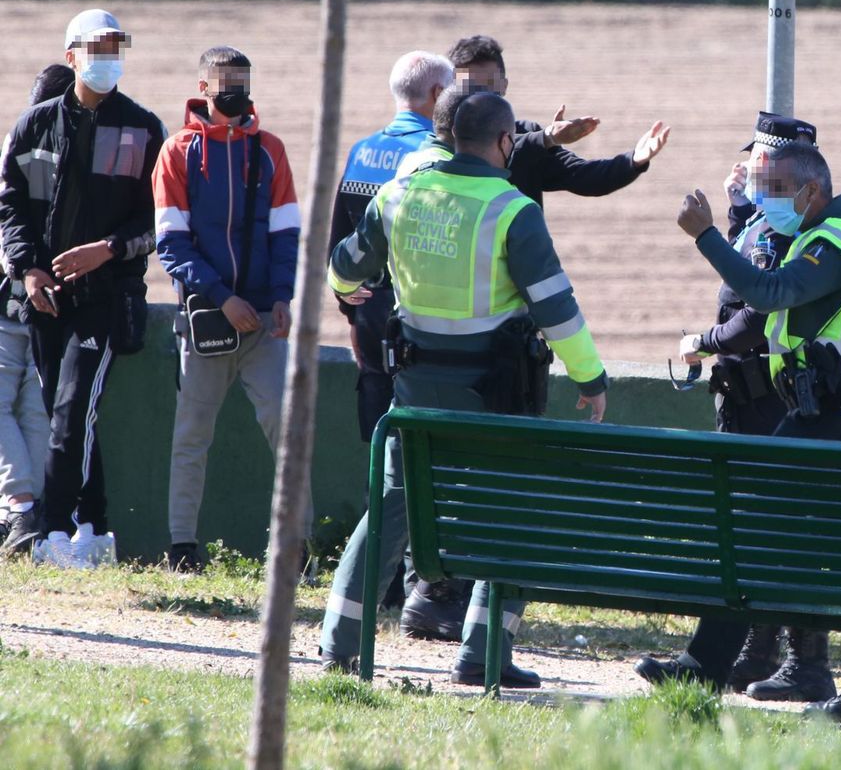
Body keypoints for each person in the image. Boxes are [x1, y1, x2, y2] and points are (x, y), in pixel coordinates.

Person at [318, 92, 609, 689]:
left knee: (390, 511)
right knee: (515, 514)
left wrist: (345, 288)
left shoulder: (398, 195)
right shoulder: (512, 209)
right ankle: (483, 653)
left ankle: (339, 646)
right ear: (504, 143)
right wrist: (590, 378)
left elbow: (345, 266)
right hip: (492, 401)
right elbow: (556, 309)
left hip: (412, 397)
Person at [635, 142, 841, 727]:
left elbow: (771, 294)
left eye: (774, 188)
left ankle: (706, 668)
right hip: (826, 405)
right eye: (759, 186)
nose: (763, 198)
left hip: (837, 408)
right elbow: (763, 310)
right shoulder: (818, 232)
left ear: (812, 190)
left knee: (754, 532)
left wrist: (707, 237)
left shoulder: (836, 242)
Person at [674, 112, 833, 703]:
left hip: (770, 398)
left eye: (763, 165)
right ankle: (754, 653)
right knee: (751, 531)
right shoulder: (764, 219)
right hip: (744, 394)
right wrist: (739, 210)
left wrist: (704, 341)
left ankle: (802, 662)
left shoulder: (793, 231)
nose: (750, 171)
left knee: (776, 532)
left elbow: (755, 311)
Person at [0, 9, 164, 569]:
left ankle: (51, 532)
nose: (108, 60)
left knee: (71, 415)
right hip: (45, 301)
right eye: (97, 49)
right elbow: (10, 206)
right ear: (71, 56)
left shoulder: (144, 129)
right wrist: (28, 270)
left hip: (106, 299)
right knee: (63, 414)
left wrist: (108, 250)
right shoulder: (33, 125)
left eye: (116, 48)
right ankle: (93, 529)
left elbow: (157, 221)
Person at [153, 47, 305, 572]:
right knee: (192, 435)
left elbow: (286, 234)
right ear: (204, 86)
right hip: (206, 322)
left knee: (287, 429)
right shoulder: (177, 152)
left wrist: (282, 297)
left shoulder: (270, 150)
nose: (235, 91)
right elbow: (171, 245)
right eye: (226, 82)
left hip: (263, 322)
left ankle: (297, 547)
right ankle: (182, 547)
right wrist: (222, 297)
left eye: (242, 81)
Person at [331, 51, 453, 445]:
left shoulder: (361, 150)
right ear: (438, 93)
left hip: (368, 316)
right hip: (419, 323)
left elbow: (339, 243)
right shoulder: (437, 157)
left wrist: (352, 316)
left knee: (378, 440)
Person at [448, 34, 670, 206]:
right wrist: (545, 138)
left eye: (488, 85)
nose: (480, 96)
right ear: (449, 89)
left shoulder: (526, 135)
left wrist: (633, 160)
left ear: (504, 86)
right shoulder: (439, 142)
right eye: (469, 87)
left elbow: (583, 177)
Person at [0, 65, 74, 557]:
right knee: (33, 408)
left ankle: (20, 507)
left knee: (23, 406)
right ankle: (27, 510)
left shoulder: (18, 145)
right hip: (52, 304)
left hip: (18, 302)